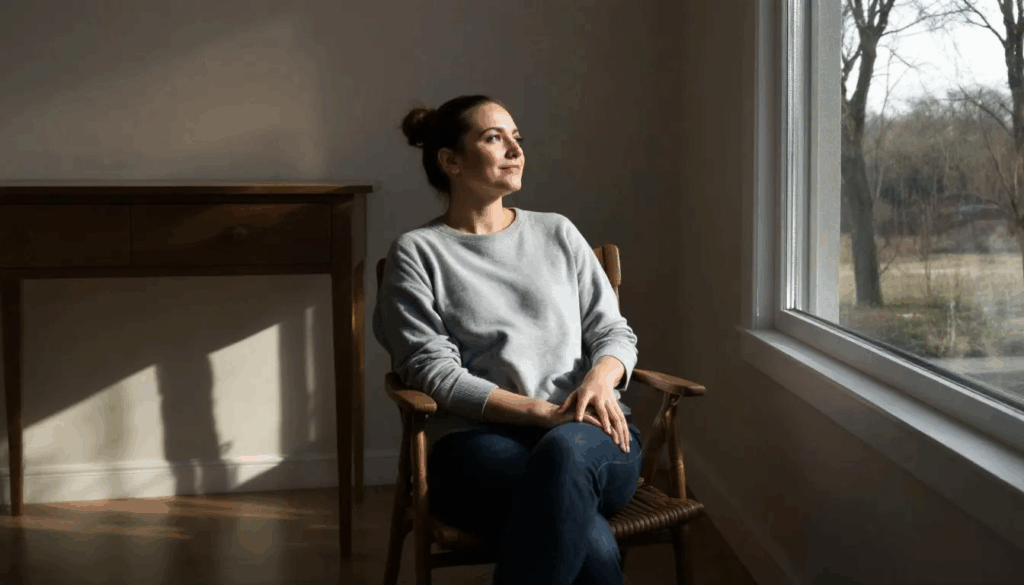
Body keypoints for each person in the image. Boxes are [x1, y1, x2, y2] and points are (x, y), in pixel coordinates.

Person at [372, 94, 642, 585]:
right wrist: (542, 413)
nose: (515, 149)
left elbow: (612, 330)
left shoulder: (558, 233)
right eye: (495, 137)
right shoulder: (418, 252)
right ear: (450, 161)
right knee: (592, 538)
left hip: (593, 433)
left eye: (517, 138)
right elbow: (432, 372)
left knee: (565, 457)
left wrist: (602, 380)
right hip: (479, 445)